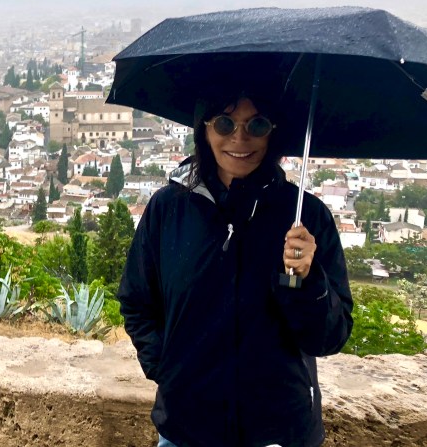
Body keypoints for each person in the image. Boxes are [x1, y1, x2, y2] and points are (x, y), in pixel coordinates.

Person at [117, 91, 353, 447]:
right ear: (204, 129)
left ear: (273, 132)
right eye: (225, 123)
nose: (239, 138)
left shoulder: (306, 219)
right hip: (186, 426)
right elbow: (137, 301)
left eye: (256, 125)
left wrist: (307, 280)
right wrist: (167, 370)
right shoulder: (168, 209)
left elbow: (330, 337)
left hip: (278, 430)